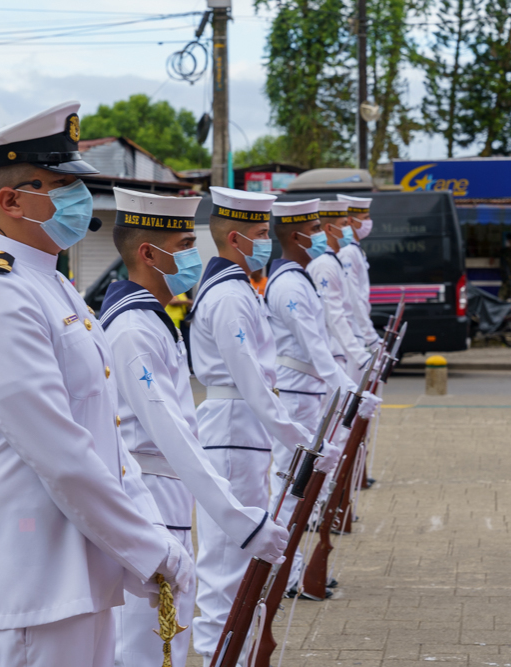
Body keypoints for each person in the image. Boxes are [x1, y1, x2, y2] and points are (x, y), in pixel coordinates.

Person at [0, 101, 192, 666]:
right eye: (59, 184)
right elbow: (61, 452)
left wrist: (146, 532)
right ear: (11, 200)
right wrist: (151, 549)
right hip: (34, 579)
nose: (78, 199)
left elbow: (105, 437)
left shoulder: (52, 284)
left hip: (83, 568)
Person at [101, 188, 288, 667]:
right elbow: (172, 435)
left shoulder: (154, 319)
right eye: (185, 244)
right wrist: (239, 520)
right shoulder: (135, 330)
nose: (194, 255)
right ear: (148, 253)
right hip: (150, 492)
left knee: (169, 630)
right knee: (145, 644)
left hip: (167, 492)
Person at [188, 186, 316, 660]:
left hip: (242, 428)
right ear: (237, 239)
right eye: (261, 234)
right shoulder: (229, 296)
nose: (268, 242)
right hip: (232, 427)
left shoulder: (240, 289)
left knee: (241, 557)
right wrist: (298, 438)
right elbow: (252, 379)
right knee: (226, 561)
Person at [267, 198, 357, 596]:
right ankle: (286, 573)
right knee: (290, 485)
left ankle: (294, 569)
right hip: (296, 392)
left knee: (301, 484)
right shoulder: (289, 284)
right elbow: (316, 347)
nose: (322, 236)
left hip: (306, 391)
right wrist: (347, 387)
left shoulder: (298, 278)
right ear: (296, 235)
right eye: (316, 229)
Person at [308, 199, 372, 381]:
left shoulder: (334, 260)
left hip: (346, 340)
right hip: (337, 344)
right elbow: (334, 314)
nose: (348, 229)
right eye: (344, 224)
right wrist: (359, 355)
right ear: (329, 229)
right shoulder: (325, 264)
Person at [337, 194, 382, 350]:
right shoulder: (348, 251)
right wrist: (371, 336)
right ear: (351, 221)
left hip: (356, 327)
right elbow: (354, 297)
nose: (369, 223)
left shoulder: (354, 249)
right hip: (353, 327)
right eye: (365, 217)